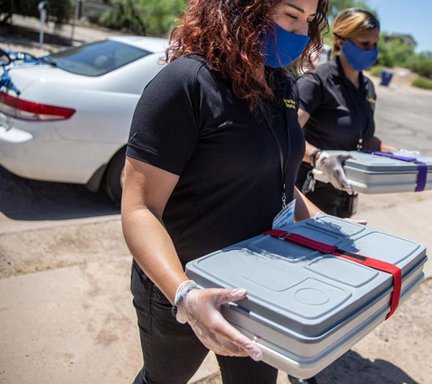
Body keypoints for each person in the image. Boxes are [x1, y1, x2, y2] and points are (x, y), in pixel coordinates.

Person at [120, 1, 328, 383]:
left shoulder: (282, 85)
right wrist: (184, 295)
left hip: (259, 288)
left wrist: (323, 225)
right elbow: (139, 208)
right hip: (180, 285)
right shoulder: (186, 83)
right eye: (291, 15)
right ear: (242, 9)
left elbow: (277, 180)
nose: (301, 33)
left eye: (310, 21)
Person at [295, 8, 398, 218]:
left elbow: (361, 137)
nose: (372, 50)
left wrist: (395, 153)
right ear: (341, 40)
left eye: (375, 44)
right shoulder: (317, 82)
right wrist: (319, 157)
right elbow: (286, 135)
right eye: (364, 43)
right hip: (310, 192)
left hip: (346, 190)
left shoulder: (367, 87)